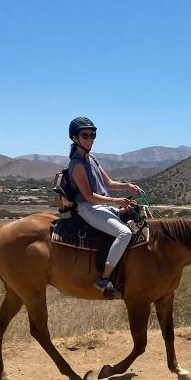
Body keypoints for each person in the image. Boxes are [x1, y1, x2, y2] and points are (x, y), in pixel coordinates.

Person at [66, 116, 143, 296]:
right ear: (74, 138)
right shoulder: (77, 164)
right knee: (124, 233)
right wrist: (116, 202)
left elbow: (107, 183)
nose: (90, 138)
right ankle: (104, 279)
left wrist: (127, 186)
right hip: (88, 208)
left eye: (92, 134)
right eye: (85, 135)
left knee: (137, 214)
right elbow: (88, 196)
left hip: (101, 206)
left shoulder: (91, 159)